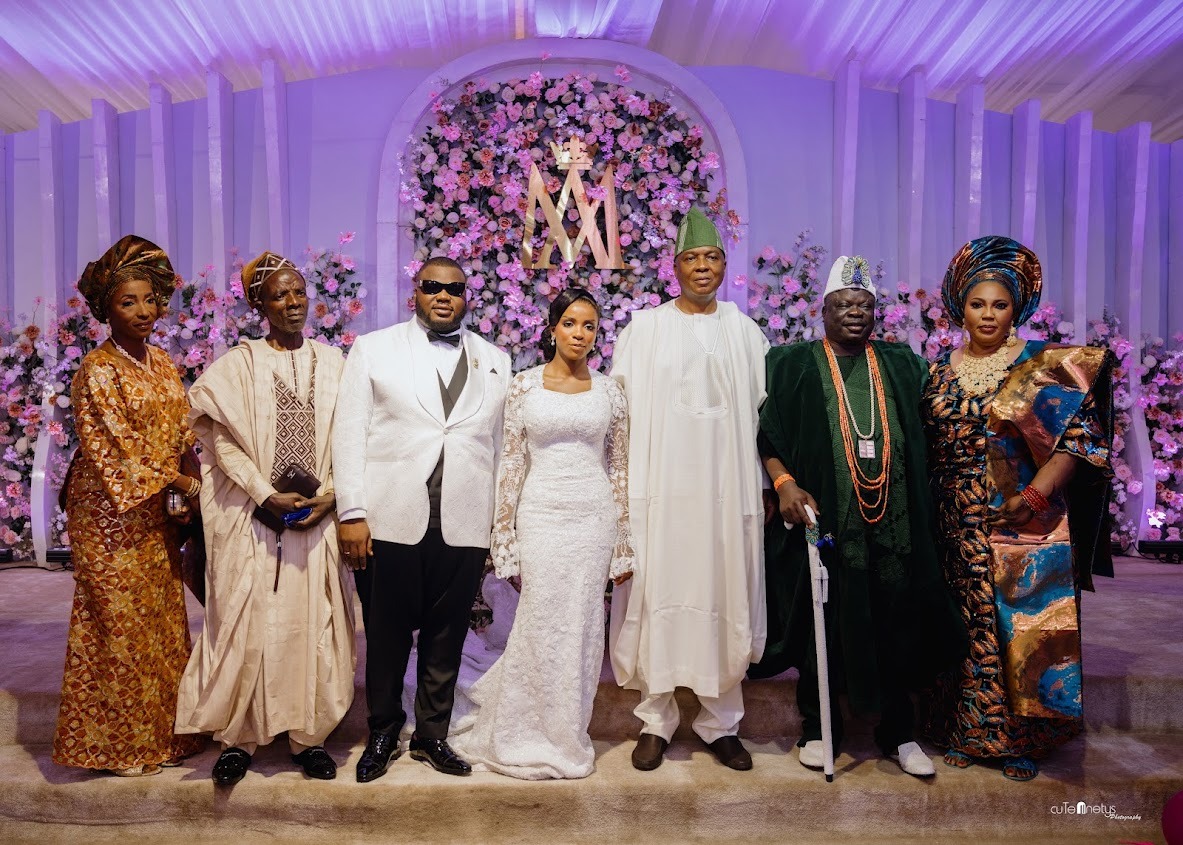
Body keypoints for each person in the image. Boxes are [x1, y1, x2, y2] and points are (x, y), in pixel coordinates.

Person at [752, 255, 966, 778]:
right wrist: (784, 483)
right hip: (825, 522)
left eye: (865, 306)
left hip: (893, 522)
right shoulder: (792, 363)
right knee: (821, 624)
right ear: (823, 310)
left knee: (897, 622)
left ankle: (900, 733)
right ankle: (818, 729)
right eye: (844, 304)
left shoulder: (902, 364)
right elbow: (768, 435)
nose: (855, 313)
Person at [919, 236, 1114, 782]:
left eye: (999, 305)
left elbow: (1077, 443)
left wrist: (1033, 497)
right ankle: (965, 732)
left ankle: (1021, 741)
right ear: (960, 307)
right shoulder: (937, 369)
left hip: (1026, 519)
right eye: (977, 304)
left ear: (1016, 309)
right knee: (965, 626)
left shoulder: (1041, 367)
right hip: (953, 521)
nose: (988, 315)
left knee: (1022, 628)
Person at [174, 251, 356, 785]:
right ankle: (239, 739)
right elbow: (221, 439)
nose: (293, 302)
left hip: (317, 520)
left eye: (299, 291)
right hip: (253, 520)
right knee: (248, 621)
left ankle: (308, 738)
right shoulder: (239, 365)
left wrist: (332, 496)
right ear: (260, 305)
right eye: (280, 294)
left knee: (315, 622)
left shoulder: (336, 363)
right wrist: (263, 492)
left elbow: (356, 436)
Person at [334, 256, 511, 782]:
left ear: (466, 296)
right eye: (432, 286)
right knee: (386, 635)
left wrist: (498, 524)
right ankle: (384, 731)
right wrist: (352, 512)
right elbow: (349, 433)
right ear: (415, 292)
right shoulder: (373, 349)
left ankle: (432, 735)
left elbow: (500, 447)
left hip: (465, 518)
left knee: (447, 634)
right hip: (389, 516)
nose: (443, 296)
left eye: (454, 289)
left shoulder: (495, 359)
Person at [609, 207, 769, 772]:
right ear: (674, 267)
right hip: (661, 490)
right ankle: (655, 720)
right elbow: (620, 414)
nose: (702, 266)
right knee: (657, 592)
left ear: (724, 266)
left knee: (726, 594)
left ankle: (721, 723)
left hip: (727, 492)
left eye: (712, 258)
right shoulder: (645, 330)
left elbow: (762, 416)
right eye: (691, 258)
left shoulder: (746, 333)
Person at [451, 288, 635, 780]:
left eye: (589, 325)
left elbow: (619, 466)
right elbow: (512, 461)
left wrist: (623, 542)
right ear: (552, 329)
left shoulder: (610, 391)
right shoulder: (524, 386)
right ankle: (521, 729)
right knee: (539, 622)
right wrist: (504, 536)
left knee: (582, 628)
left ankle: (566, 734)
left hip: (593, 518)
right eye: (570, 323)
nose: (580, 333)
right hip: (540, 516)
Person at [52, 235, 205, 777]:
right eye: (127, 302)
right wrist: (183, 484)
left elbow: (181, 429)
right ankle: (117, 747)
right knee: (117, 624)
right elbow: (119, 449)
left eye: (148, 300)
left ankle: (169, 736)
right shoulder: (97, 370)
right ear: (106, 309)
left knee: (159, 620)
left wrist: (188, 476)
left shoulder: (160, 360)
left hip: (157, 509)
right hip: (108, 516)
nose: (143, 311)